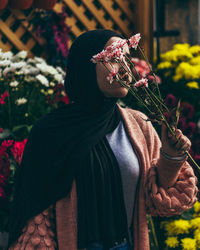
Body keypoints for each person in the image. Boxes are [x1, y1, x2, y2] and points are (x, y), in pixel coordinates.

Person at [8, 30, 198, 250]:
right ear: (86, 67)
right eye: (113, 60)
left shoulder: (139, 124)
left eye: (126, 58)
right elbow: (35, 215)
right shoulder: (51, 133)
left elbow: (158, 201)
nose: (125, 69)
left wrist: (171, 156)